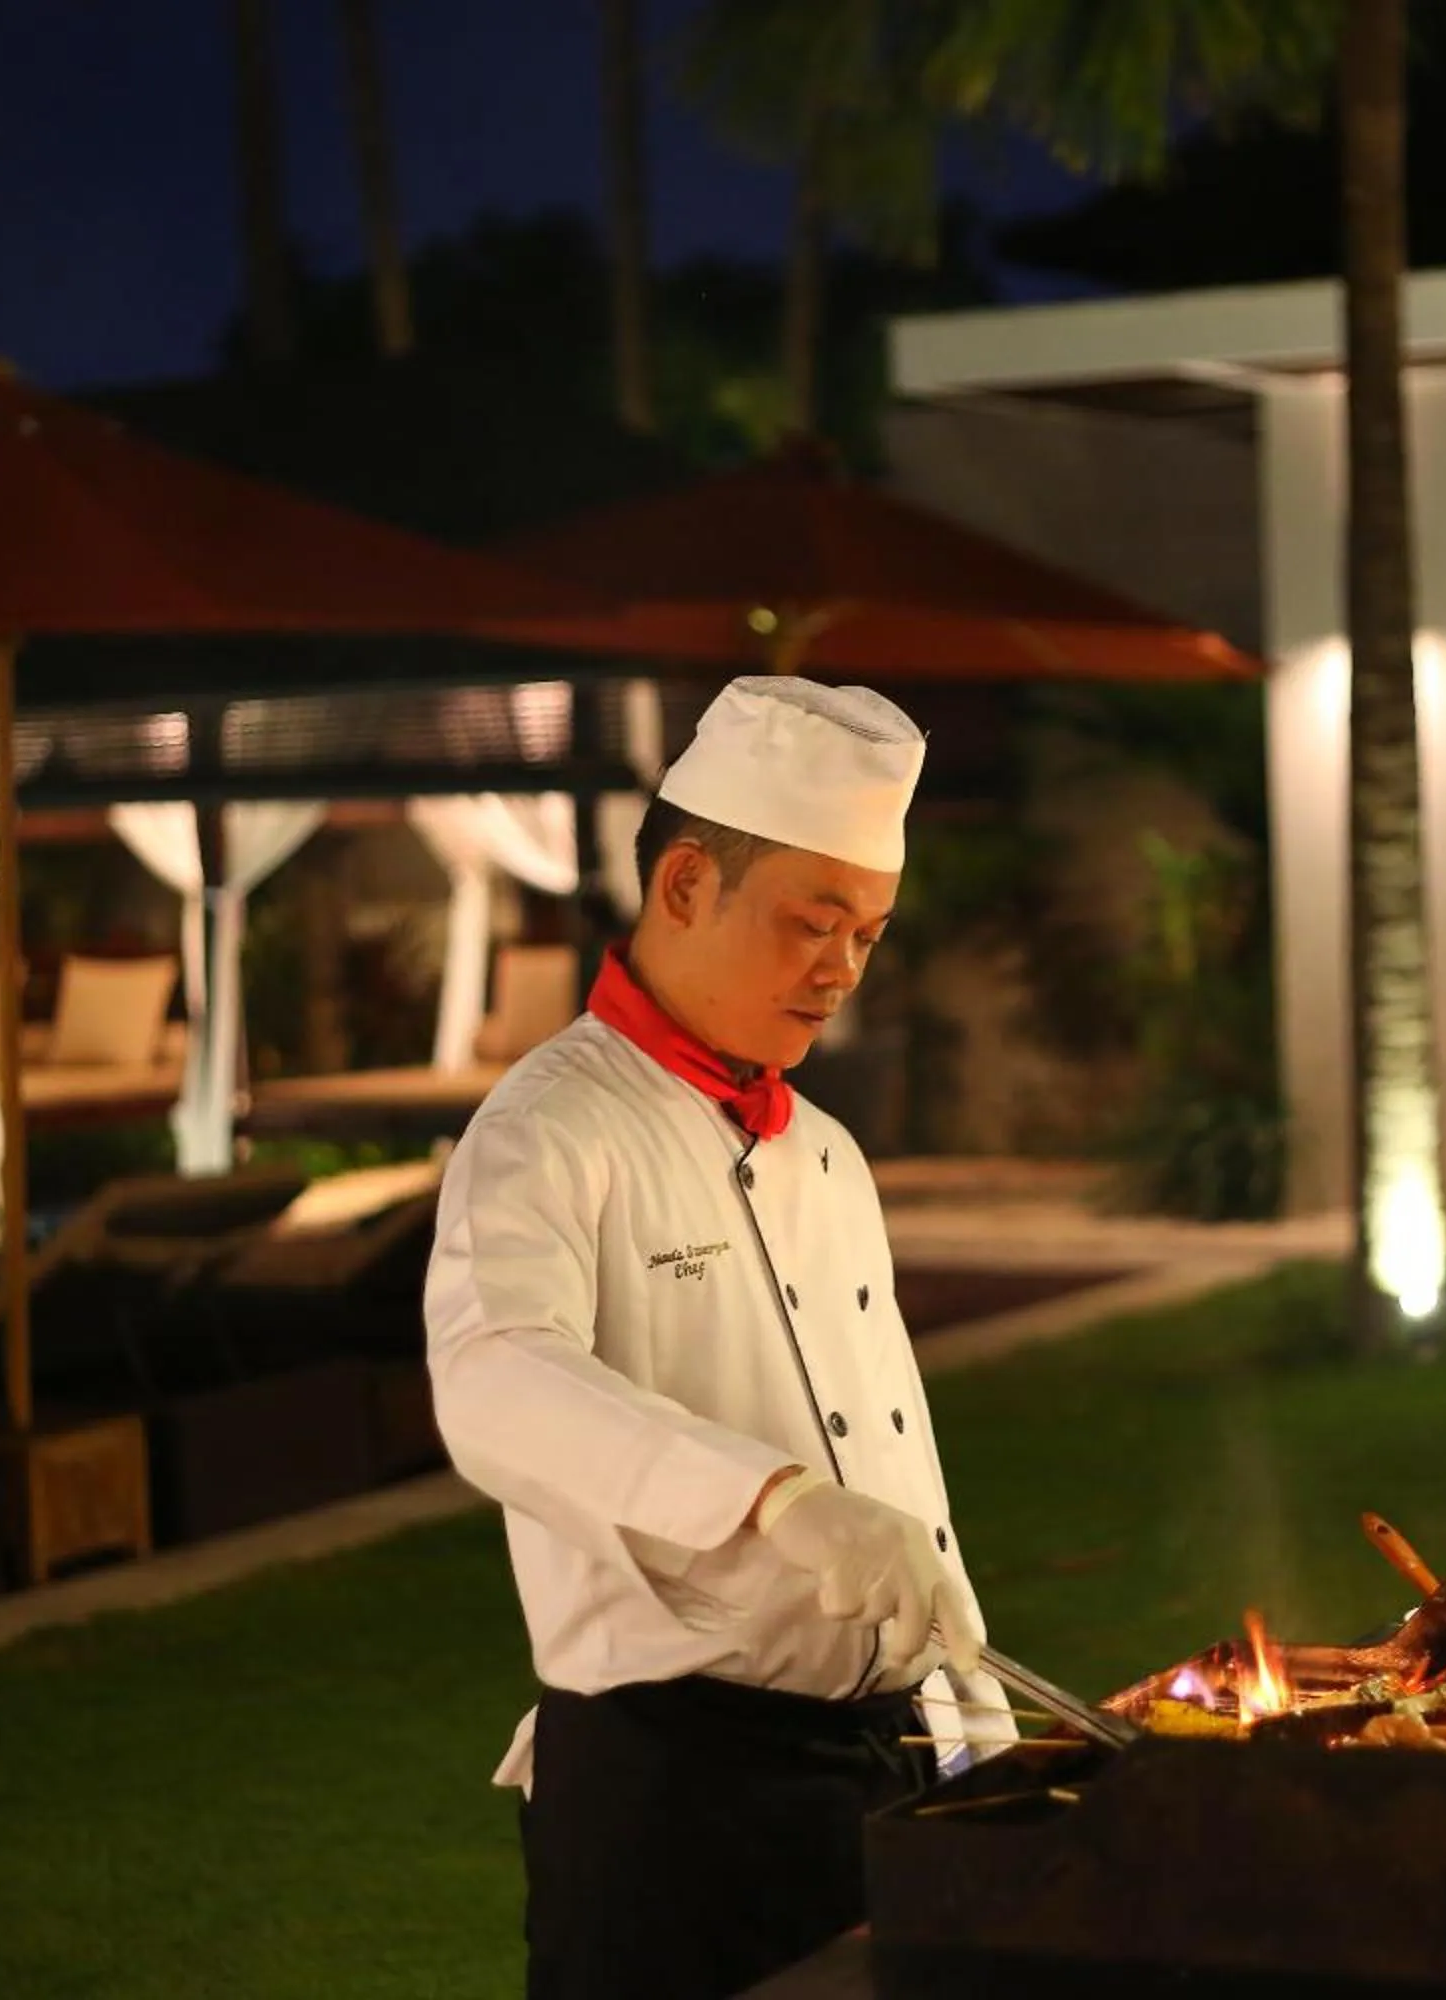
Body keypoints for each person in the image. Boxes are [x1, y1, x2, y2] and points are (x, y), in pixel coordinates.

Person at [426, 674, 1015, 2000]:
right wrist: (774, 1503)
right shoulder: (549, 1127)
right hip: (672, 1802)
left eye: (869, 930)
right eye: (815, 922)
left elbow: (894, 1463)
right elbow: (494, 1380)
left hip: (877, 1775)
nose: (845, 968)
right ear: (685, 884)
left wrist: (974, 1729)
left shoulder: (827, 1154)